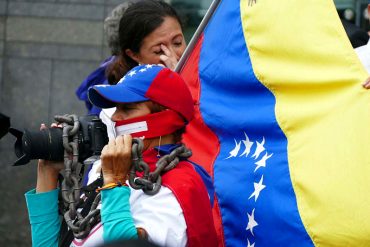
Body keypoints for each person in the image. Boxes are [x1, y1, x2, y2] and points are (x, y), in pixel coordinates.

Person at [25, 65, 218, 247]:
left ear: (165, 119)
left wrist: (115, 183)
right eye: (116, 108)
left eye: (127, 108)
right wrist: (47, 173)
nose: (115, 117)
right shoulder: (108, 167)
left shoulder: (179, 187)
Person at [76, 0, 186, 115]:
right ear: (133, 55)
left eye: (177, 43)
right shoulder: (120, 96)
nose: (173, 56)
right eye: (159, 51)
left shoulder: (203, 75)